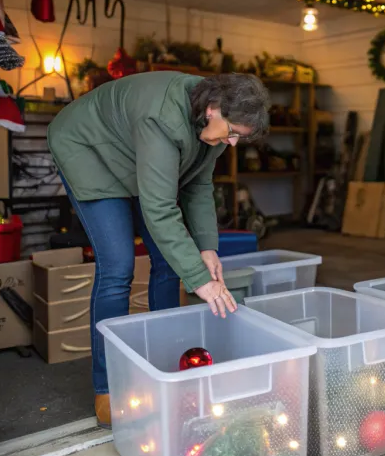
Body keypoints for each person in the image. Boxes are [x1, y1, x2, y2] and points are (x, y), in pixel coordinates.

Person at [48, 70, 270, 428]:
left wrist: (208, 248)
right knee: (118, 266)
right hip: (87, 149)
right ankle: (108, 386)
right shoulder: (162, 119)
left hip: (130, 153)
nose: (232, 144)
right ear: (213, 109)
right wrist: (199, 279)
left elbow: (198, 188)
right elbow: (160, 209)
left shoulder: (211, 125)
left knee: (169, 260)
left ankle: (170, 362)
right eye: (232, 133)